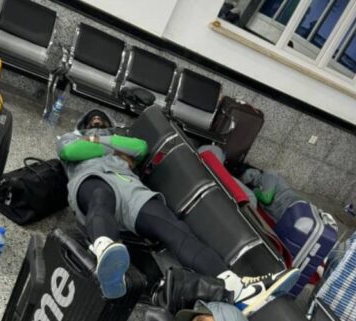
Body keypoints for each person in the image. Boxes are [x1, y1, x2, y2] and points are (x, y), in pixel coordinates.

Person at [57, 109, 299, 314]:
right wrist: (113, 148)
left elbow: (139, 147)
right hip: (91, 179)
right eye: (91, 121)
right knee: (101, 199)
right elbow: (70, 153)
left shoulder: (115, 138)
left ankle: (236, 287)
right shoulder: (69, 138)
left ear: (111, 127)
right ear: (82, 126)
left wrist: (97, 143)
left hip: (131, 188)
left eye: (102, 121)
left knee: (176, 230)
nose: (97, 122)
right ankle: (107, 257)